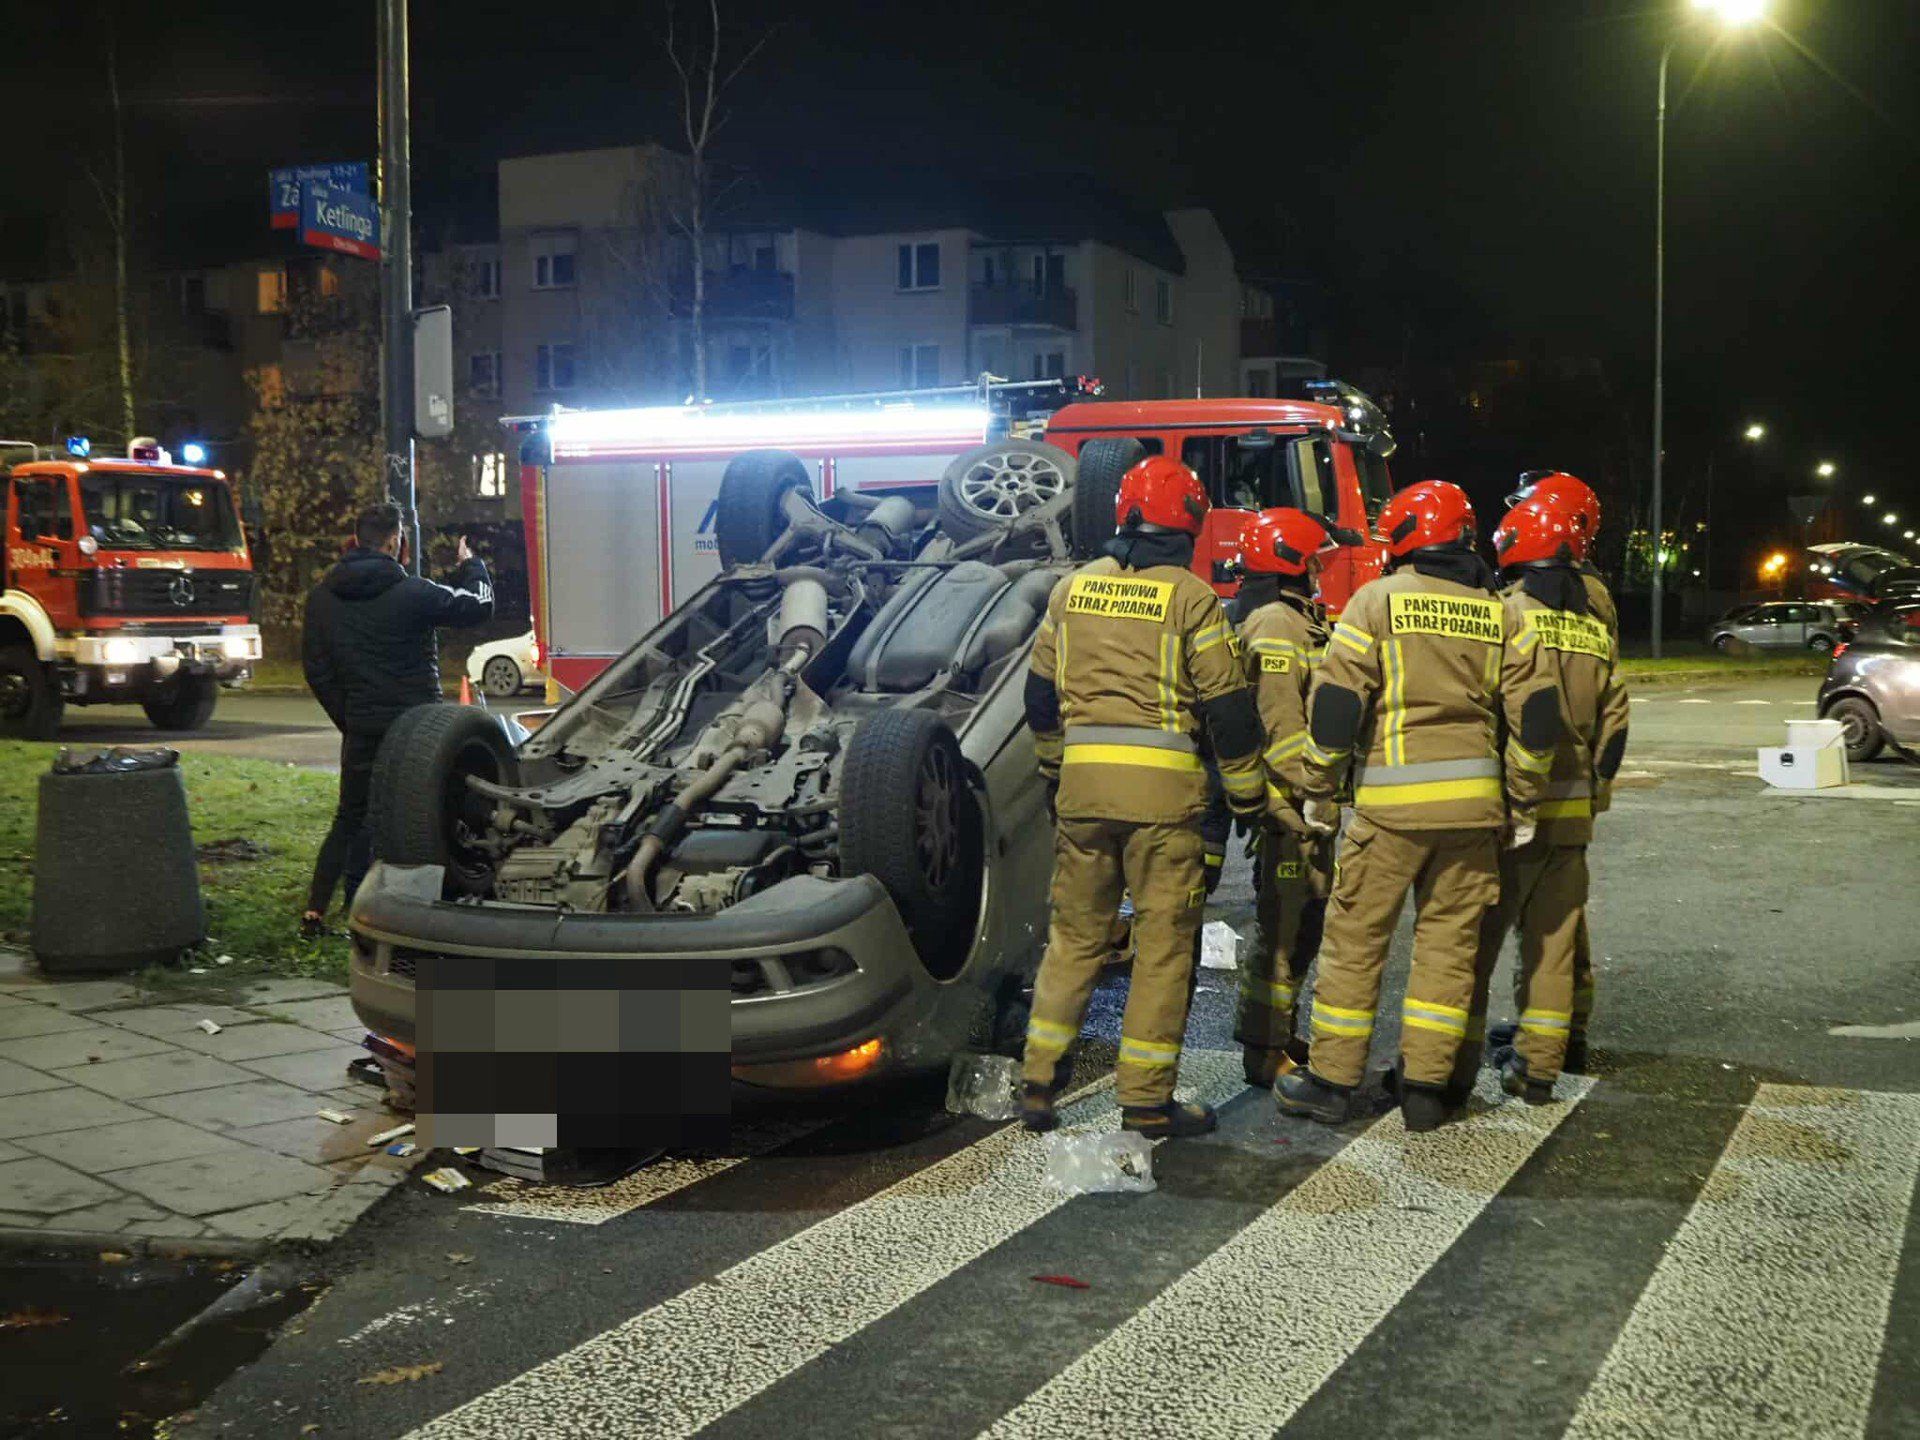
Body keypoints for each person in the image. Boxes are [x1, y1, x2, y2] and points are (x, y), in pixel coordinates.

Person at [1276, 479, 1560, 1133]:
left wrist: (1318, 788)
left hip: (1391, 812)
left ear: (1404, 537)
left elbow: (1337, 705)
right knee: (1447, 949)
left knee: (1355, 944)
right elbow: (1537, 716)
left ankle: (1332, 1082)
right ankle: (1426, 1091)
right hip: (1473, 816)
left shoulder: (1377, 602)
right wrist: (1522, 801)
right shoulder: (1502, 613)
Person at [1021, 455, 1271, 1139]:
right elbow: (1227, 710)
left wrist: (1054, 773)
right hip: (1165, 806)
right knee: (1163, 950)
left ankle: (1038, 1083)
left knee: (1074, 940)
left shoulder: (1071, 590)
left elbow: (1039, 696)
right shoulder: (1189, 597)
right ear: (1187, 526)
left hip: (1082, 797)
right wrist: (1249, 799)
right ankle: (1146, 1102)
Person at [1468, 497, 1631, 1101]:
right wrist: (1595, 793)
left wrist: (1514, 800)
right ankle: (1539, 1070)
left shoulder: (1505, 615)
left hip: (1516, 807)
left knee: (1476, 940)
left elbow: (1499, 711)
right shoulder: (1594, 628)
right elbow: (1616, 725)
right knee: (1554, 942)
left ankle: (1450, 1060)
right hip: (1574, 813)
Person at [300, 504, 494, 934]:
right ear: (394, 541)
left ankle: (318, 911)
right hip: (416, 729)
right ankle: (436, 903)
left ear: (356, 540)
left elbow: (317, 670)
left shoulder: (323, 598)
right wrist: (471, 566)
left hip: (363, 726)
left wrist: (349, 717)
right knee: (428, 810)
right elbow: (479, 606)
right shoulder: (414, 593)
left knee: (351, 817)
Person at [1495, 469, 1612, 1065]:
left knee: (1505, 926)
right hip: (1573, 793)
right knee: (1562, 923)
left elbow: (1519, 705)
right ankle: (1557, 1035)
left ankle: (1553, 1034)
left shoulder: (1525, 607)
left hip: (1528, 791)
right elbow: (1612, 709)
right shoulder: (1591, 607)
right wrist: (1598, 790)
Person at [1229, 507, 1337, 1088]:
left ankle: (1276, 1032)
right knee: (1283, 927)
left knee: (1305, 922)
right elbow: (1281, 727)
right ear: (1292, 562)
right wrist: (1311, 796)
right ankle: (1263, 1049)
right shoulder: (1275, 624)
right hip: (1288, 808)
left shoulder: (1295, 620)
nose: (1321, 570)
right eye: (1314, 560)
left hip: (1303, 802)